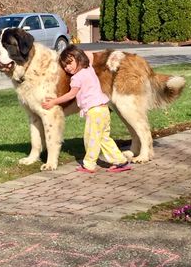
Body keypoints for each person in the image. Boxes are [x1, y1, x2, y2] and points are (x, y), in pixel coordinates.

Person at [42, 45, 131, 173]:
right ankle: (119, 160)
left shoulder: (76, 78)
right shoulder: (88, 68)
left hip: (95, 111)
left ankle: (89, 164)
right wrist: (78, 53)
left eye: (70, 63)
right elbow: (88, 54)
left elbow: (71, 95)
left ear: (78, 58)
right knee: (104, 138)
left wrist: (54, 102)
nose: (68, 67)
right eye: (65, 66)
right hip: (104, 109)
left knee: (91, 138)